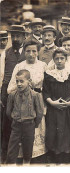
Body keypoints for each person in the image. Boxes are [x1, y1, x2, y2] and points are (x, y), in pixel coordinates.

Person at [7, 40, 47, 163]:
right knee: (19, 137)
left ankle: (33, 159)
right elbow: (10, 88)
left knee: (33, 131)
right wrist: (23, 86)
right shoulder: (19, 66)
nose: (31, 54)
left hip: (37, 99)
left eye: (34, 51)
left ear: (37, 52)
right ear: (24, 51)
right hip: (21, 100)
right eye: (28, 51)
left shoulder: (43, 65)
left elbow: (47, 85)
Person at [42, 48, 70, 164]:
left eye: (62, 58)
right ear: (53, 60)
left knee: (67, 133)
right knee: (55, 133)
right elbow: (46, 92)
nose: (59, 61)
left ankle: (66, 158)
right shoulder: (49, 75)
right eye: (56, 59)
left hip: (68, 108)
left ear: (66, 59)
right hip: (53, 109)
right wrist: (52, 103)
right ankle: (57, 158)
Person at [5, 69, 44, 164]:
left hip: (29, 126)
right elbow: (8, 112)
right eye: (17, 81)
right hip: (16, 126)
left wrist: (34, 124)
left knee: (27, 151)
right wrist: (16, 119)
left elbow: (39, 113)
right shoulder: (12, 95)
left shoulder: (35, 95)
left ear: (29, 81)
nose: (19, 84)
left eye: (22, 81)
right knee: (11, 151)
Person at [1, 25, 26, 163]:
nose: (16, 39)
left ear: (24, 37)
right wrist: (2, 95)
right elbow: (2, 75)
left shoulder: (29, 51)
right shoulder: (7, 53)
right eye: (14, 36)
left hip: (25, 93)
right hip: (9, 94)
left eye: (18, 36)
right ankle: (7, 158)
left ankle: (24, 157)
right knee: (8, 126)